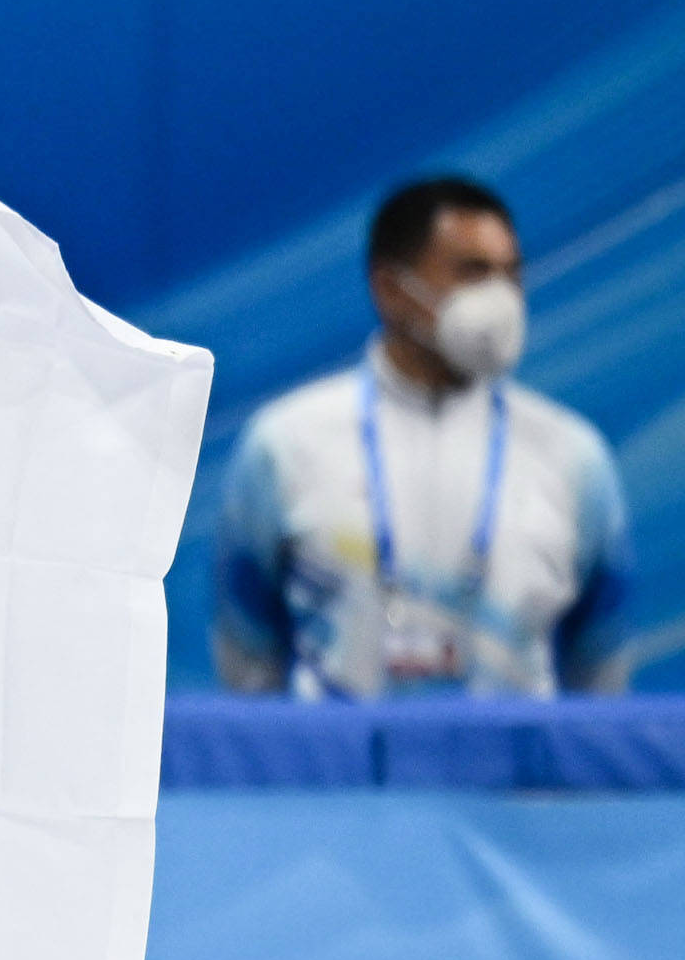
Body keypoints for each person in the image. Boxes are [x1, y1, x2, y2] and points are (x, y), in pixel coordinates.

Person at [209, 175, 634, 698]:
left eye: (511, 275)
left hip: (517, 777)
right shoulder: (285, 444)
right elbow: (249, 653)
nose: (501, 298)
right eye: (472, 272)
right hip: (335, 776)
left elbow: (599, 671)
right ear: (391, 288)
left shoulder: (574, 455)